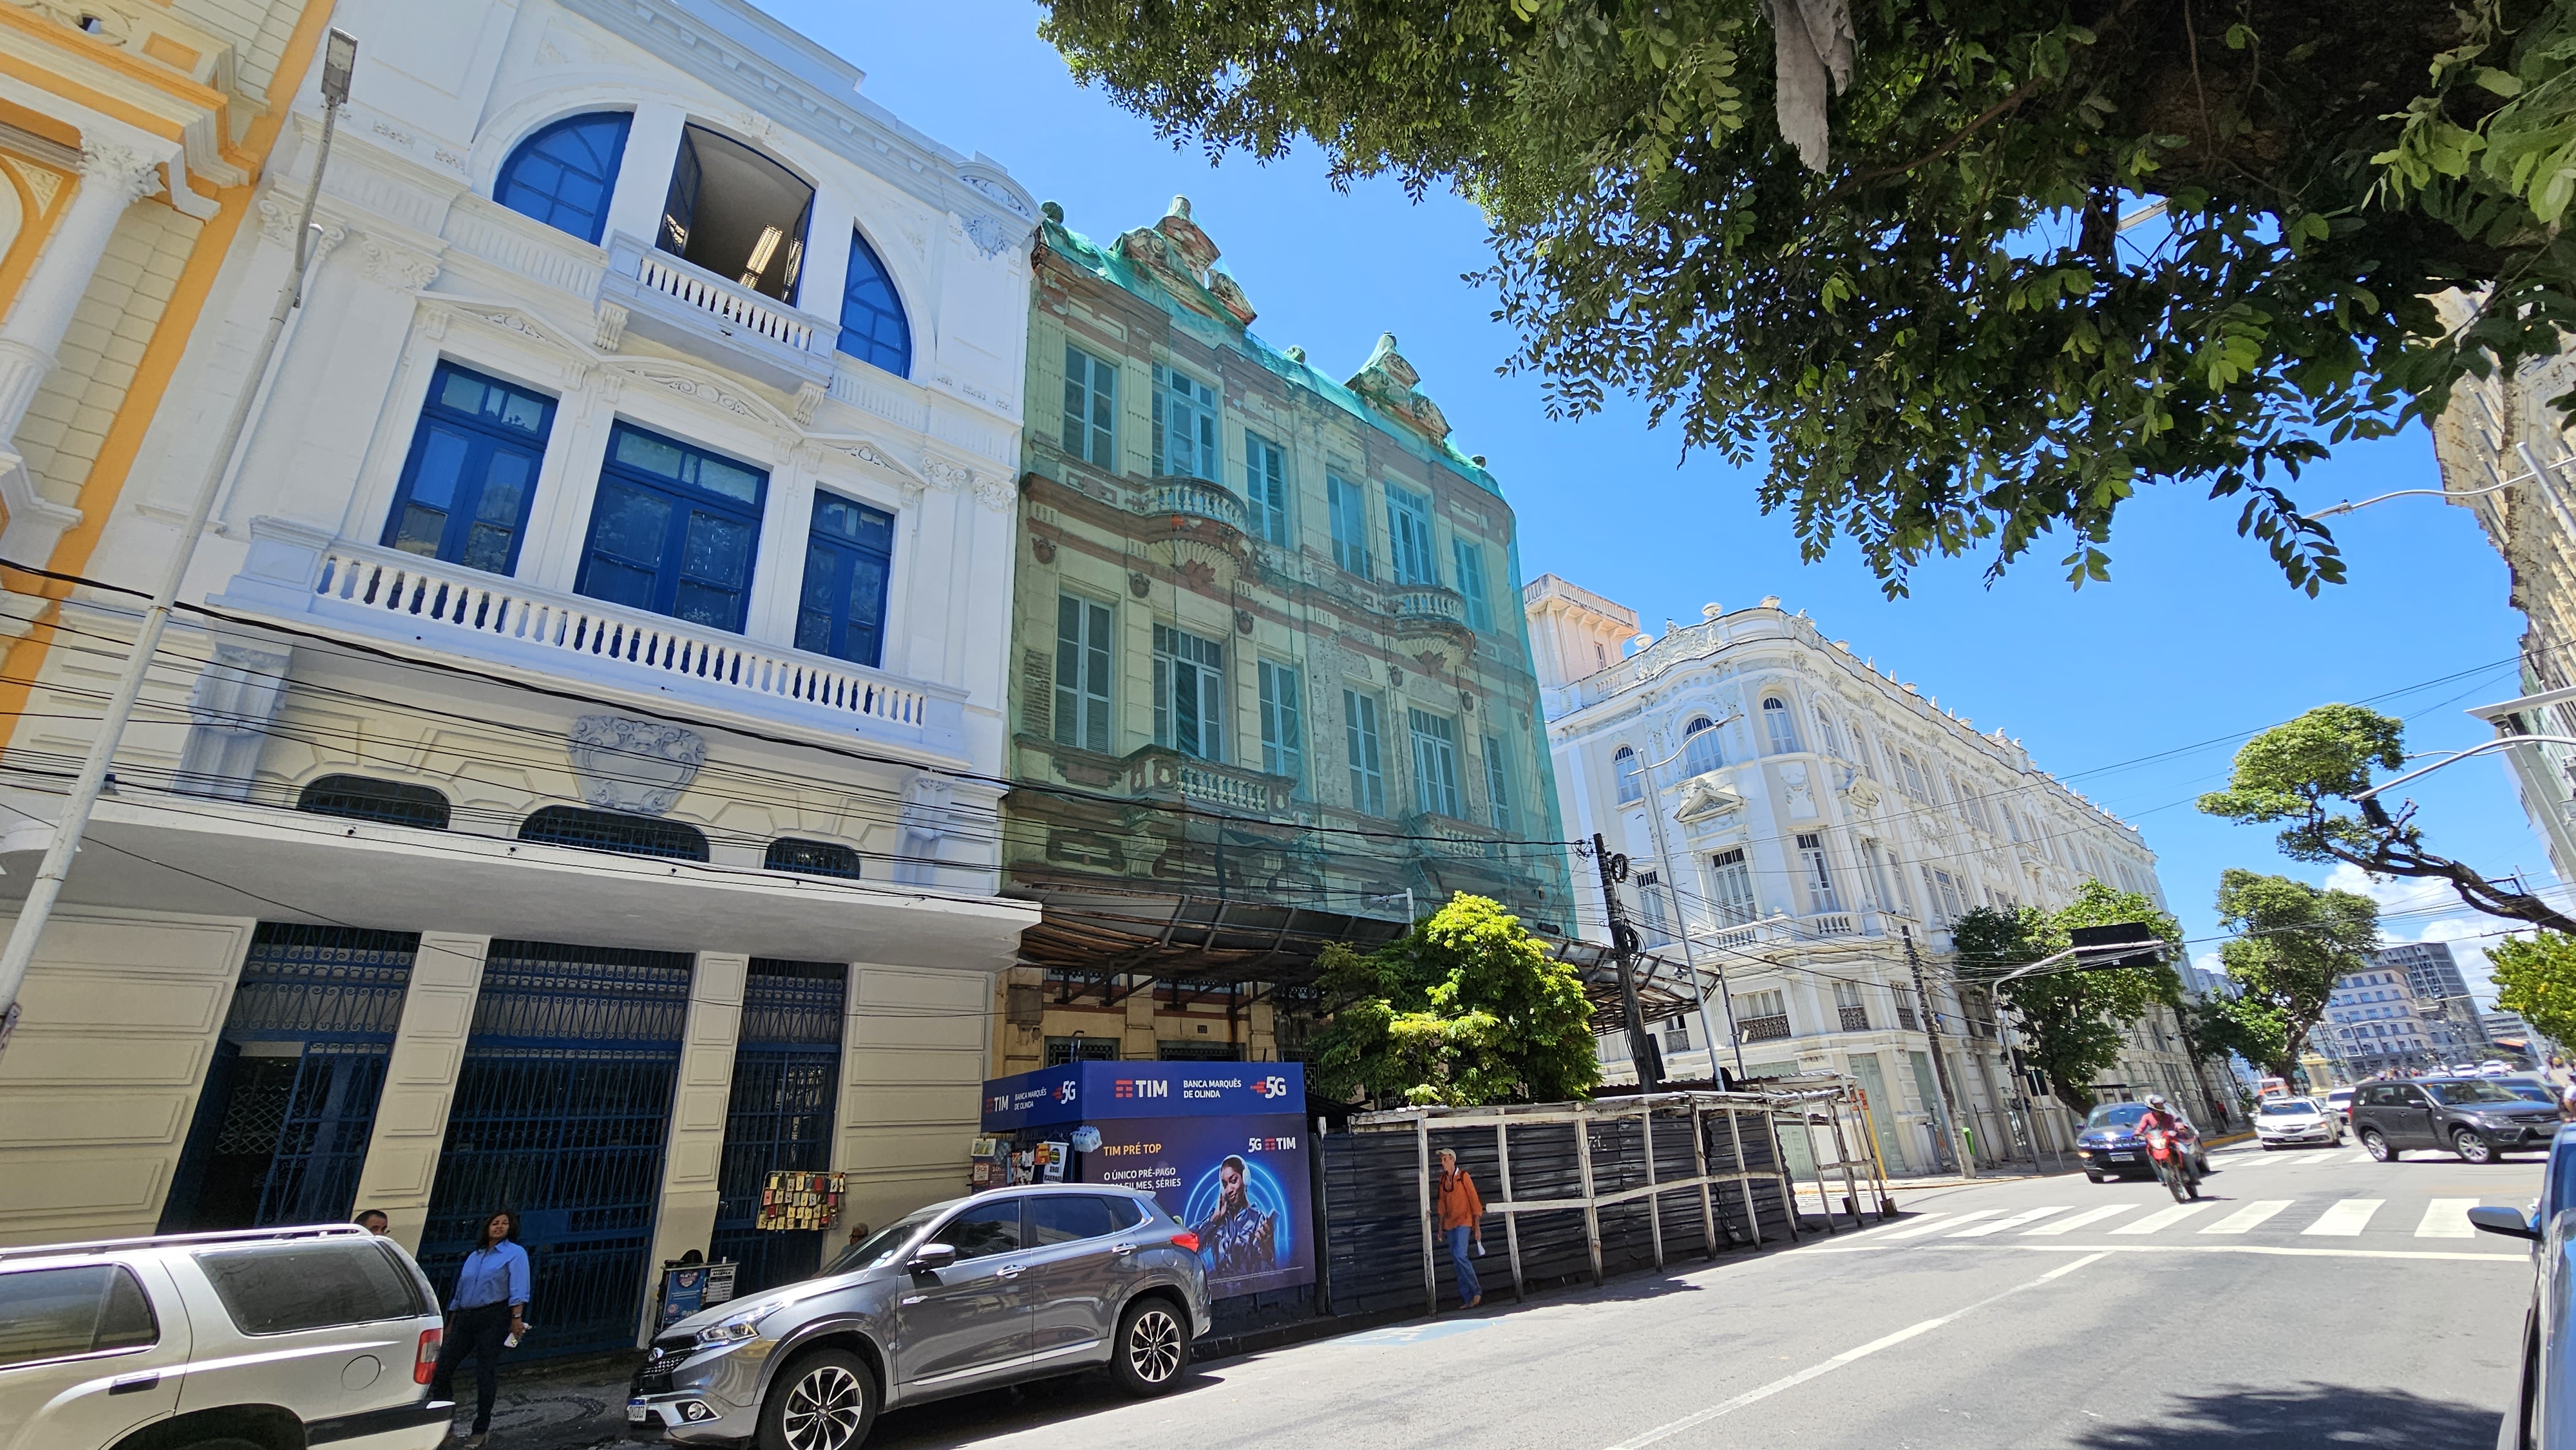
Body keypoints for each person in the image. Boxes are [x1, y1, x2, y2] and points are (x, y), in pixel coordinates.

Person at [432, 1210, 529, 1449]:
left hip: (493, 1316)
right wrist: (450, 1323)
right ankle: (445, 1425)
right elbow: (460, 1290)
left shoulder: (515, 1254)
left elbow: (519, 1287)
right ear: (487, 1226)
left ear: (511, 1228)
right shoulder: (475, 1256)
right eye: (495, 1223)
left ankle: (481, 1428)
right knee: (442, 1368)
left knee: (485, 1372)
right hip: (466, 1317)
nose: (499, 1227)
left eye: (505, 1224)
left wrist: (516, 1318)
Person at [1189, 1155, 1278, 1285]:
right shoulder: (1218, 1217)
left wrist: (1266, 1252)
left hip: (1246, 1292)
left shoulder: (1259, 1220)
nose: (1229, 1190)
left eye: (1233, 1181)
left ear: (1245, 1179)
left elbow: (1269, 1278)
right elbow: (1191, 1248)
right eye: (1225, 1184)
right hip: (1218, 1292)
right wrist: (1214, 1219)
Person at [1434, 1148, 1485, 1311]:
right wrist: (1440, 1227)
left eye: (1446, 1159)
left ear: (1453, 1160)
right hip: (1451, 1224)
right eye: (1442, 1160)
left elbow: (1474, 1201)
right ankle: (1468, 1297)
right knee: (1457, 1262)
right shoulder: (1443, 1180)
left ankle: (1476, 1292)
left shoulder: (1463, 1177)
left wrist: (1476, 1227)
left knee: (1460, 1254)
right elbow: (1441, 1204)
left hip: (1464, 1221)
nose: (1443, 1163)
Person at [2135, 1095, 2199, 1186]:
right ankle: (2163, 1178)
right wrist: (2137, 1133)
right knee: (2151, 1157)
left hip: (2172, 1140)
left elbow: (2174, 1125)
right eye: (2158, 1105)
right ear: (2151, 1105)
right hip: (2157, 1141)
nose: (2161, 1106)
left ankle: (2194, 1177)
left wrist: (2180, 1127)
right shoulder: (2147, 1117)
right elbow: (2141, 1127)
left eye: (2161, 1104)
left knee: (2185, 1153)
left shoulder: (2169, 1117)